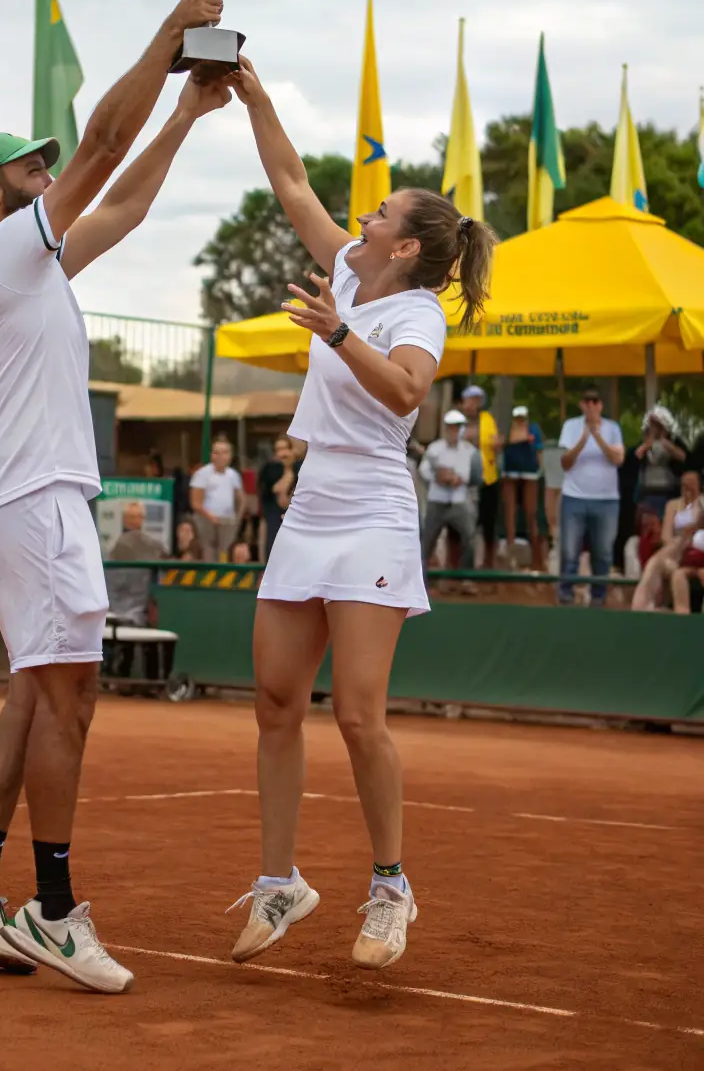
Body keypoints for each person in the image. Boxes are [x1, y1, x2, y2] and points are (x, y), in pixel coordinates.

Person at [0, 0, 230, 994]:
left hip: (14, 502)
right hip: (34, 501)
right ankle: (54, 912)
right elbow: (101, 147)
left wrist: (185, 110)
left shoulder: (31, 264)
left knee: (34, 694)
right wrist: (173, 32)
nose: (46, 174)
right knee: (74, 698)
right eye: (27, 169)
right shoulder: (1, 251)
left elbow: (127, 197)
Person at [223, 56, 495, 972]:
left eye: (382, 213)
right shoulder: (347, 265)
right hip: (312, 507)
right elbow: (291, 181)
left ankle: (390, 885)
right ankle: (279, 882)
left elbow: (406, 394)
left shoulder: (417, 312)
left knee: (357, 714)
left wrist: (338, 334)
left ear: (408, 246)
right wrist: (257, 98)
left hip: (375, 507)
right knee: (273, 700)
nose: (366, 216)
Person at [557, 385, 625, 606]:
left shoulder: (613, 428)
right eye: (587, 401)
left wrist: (598, 436)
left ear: (601, 405)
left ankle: (598, 596)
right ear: (581, 404)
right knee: (569, 550)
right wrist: (584, 439)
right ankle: (565, 594)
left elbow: (617, 459)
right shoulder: (570, 426)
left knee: (603, 552)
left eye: (595, 401)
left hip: (606, 500)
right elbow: (565, 463)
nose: (591, 405)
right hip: (574, 497)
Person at [105, 501, 173, 685]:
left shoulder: (152, 543)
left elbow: (167, 560)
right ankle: (119, 677)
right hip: (118, 605)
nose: (135, 521)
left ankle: (152, 682)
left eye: (139, 516)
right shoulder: (117, 545)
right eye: (131, 517)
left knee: (150, 633)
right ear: (124, 519)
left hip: (145, 605)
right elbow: (112, 584)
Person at [419, 410, 482, 572]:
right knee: (426, 541)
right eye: (451, 427)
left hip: (458, 501)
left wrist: (453, 478)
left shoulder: (469, 451)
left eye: (457, 428)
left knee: (470, 538)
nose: (454, 431)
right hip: (437, 500)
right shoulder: (435, 448)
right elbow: (424, 470)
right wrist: (438, 476)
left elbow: (470, 476)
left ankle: (466, 578)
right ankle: (420, 579)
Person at [631, 470, 701, 609]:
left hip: (696, 546)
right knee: (656, 562)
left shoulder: (702, 504)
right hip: (674, 549)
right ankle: (645, 604)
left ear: (699, 486)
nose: (687, 488)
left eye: (692, 484)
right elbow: (666, 535)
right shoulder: (673, 505)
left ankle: (643, 603)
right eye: (684, 485)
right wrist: (676, 549)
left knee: (661, 560)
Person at [459, 385, 501, 569]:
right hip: (462, 480)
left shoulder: (487, 419)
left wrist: (497, 444)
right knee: (463, 527)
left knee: (489, 525)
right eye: (470, 399)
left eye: (477, 400)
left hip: (487, 478)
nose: (473, 404)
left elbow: (494, 442)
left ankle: (488, 565)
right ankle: (460, 566)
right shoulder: (457, 421)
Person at [501, 405, 545, 570]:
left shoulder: (533, 429)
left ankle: (537, 561)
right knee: (510, 516)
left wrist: (538, 468)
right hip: (510, 473)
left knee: (531, 514)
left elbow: (537, 448)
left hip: (529, 473)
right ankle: (510, 557)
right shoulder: (509, 429)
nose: (520, 421)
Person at [189, 438, 245, 561]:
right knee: (209, 552)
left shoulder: (233, 475)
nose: (221, 456)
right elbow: (195, 503)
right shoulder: (202, 474)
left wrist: (237, 518)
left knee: (225, 553)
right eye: (216, 452)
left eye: (225, 452)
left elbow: (240, 498)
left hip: (227, 521)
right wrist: (211, 517)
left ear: (230, 455)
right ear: (211, 455)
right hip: (206, 520)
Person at [633, 406, 687, 519]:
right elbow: (637, 454)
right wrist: (650, 442)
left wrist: (665, 443)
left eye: (657, 425)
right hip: (647, 493)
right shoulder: (645, 443)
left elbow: (682, 456)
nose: (654, 428)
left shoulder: (672, 442)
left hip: (668, 492)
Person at [256, 435, 301, 559]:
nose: (281, 453)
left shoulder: (300, 467)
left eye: (284, 449)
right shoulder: (271, 468)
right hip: (274, 515)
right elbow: (277, 490)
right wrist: (287, 468)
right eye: (278, 450)